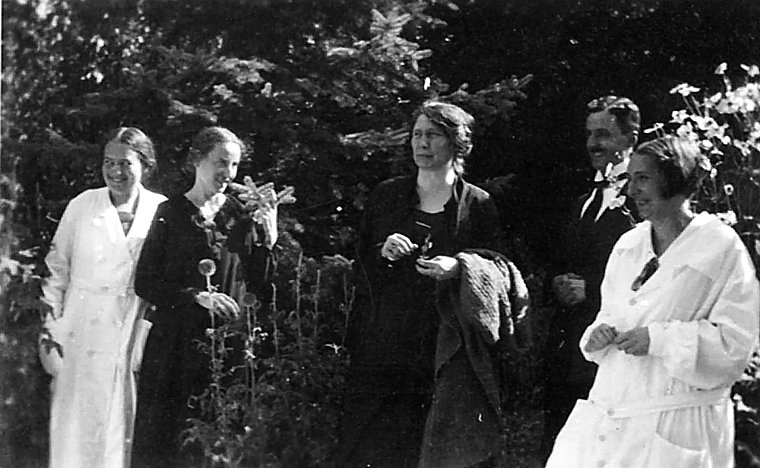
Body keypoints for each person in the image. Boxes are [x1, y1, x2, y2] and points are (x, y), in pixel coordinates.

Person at [545, 135, 760, 467]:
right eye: (629, 179)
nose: (631, 191)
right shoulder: (628, 246)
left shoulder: (720, 247)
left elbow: (735, 345)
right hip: (612, 407)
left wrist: (659, 339)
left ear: (674, 178)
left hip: (680, 422)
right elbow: (610, 314)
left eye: (642, 178)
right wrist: (600, 333)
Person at [338, 101, 527, 468]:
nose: (422, 144)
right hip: (386, 343)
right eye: (417, 135)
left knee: (438, 443)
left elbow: (498, 268)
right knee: (377, 443)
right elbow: (359, 264)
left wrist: (459, 266)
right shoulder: (387, 196)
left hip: (444, 344)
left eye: (433, 135)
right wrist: (384, 251)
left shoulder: (477, 204)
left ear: (456, 143)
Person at [130, 127, 278, 468]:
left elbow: (262, 288)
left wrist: (269, 242)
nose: (228, 173)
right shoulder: (171, 213)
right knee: (166, 442)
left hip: (227, 349)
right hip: (174, 349)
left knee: (219, 443)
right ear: (197, 160)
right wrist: (196, 296)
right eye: (221, 162)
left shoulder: (241, 216)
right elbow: (146, 282)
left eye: (235, 165)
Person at [39, 127, 167, 468]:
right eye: (108, 162)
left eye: (125, 163)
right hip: (80, 327)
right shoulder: (83, 205)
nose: (115, 172)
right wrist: (50, 332)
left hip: (131, 327)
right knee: (75, 427)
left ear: (145, 165)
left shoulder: (161, 209)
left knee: (122, 423)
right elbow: (57, 269)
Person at [540, 95, 641, 459]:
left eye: (603, 134)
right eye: (589, 134)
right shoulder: (583, 199)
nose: (593, 144)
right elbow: (560, 259)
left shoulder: (642, 202)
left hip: (612, 346)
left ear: (631, 139)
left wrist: (592, 293)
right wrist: (557, 283)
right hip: (567, 348)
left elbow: (650, 276)